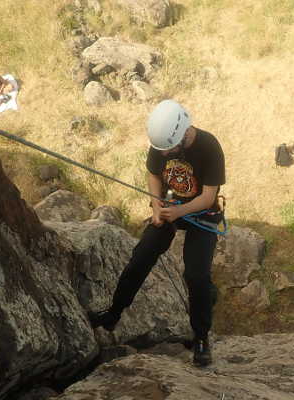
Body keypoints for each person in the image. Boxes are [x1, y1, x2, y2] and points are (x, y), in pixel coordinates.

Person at [90, 99, 226, 367]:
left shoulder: (209, 146)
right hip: (170, 207)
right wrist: (156, 205)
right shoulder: (163, 143)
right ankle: (113, 313)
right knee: (141, 255)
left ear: (185, 133)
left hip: (201, 213)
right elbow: (154, 174)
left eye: (168, 149)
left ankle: (201, 337)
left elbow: (209, 196)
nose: (164, 154)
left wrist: (178, 213)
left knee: (196, 275)